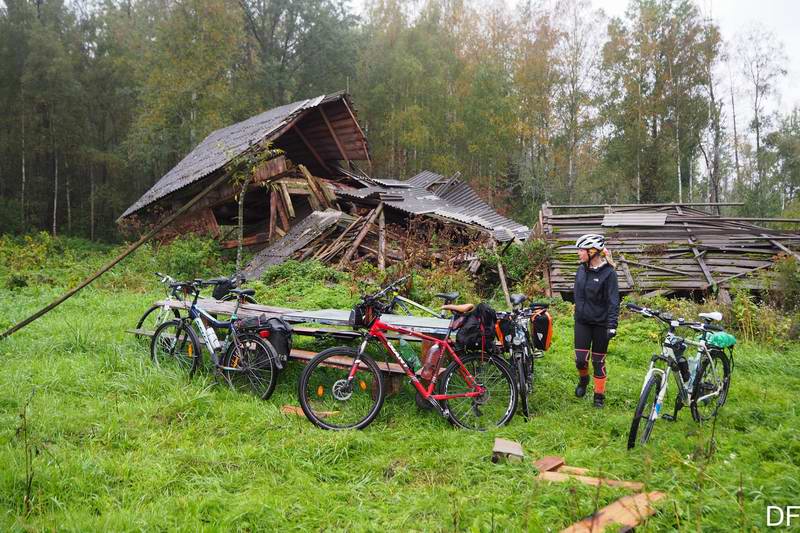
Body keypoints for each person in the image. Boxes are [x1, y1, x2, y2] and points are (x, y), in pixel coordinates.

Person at [573, 234, 620, 408]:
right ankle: (583, 380)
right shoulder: (581, 269)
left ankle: (599, 397)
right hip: (582, 322)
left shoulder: (609, 274)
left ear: (592, 252)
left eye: (581, 250)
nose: (579, 253)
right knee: (580, 360)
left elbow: (614, 301)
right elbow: (577, 294)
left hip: (601, 324)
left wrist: (612, 325)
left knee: (598, 361)